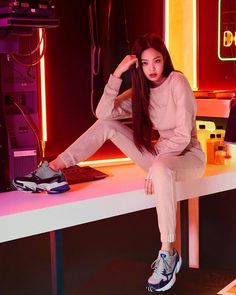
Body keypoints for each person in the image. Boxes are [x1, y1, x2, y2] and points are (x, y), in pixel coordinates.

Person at [13, 33, 205, 292]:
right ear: (137, 66)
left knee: (160, 167)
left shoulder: (176, 81)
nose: (152, 69)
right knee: (106, 125)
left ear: (165, 60)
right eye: (145, 63)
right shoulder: (141, 92)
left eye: (157, 61)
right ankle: (54, 170)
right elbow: (103, 113)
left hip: (187, 157)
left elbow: (183, 135)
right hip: (160, 158)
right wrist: (117, 74)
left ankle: (168, 253)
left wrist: (158, 166)